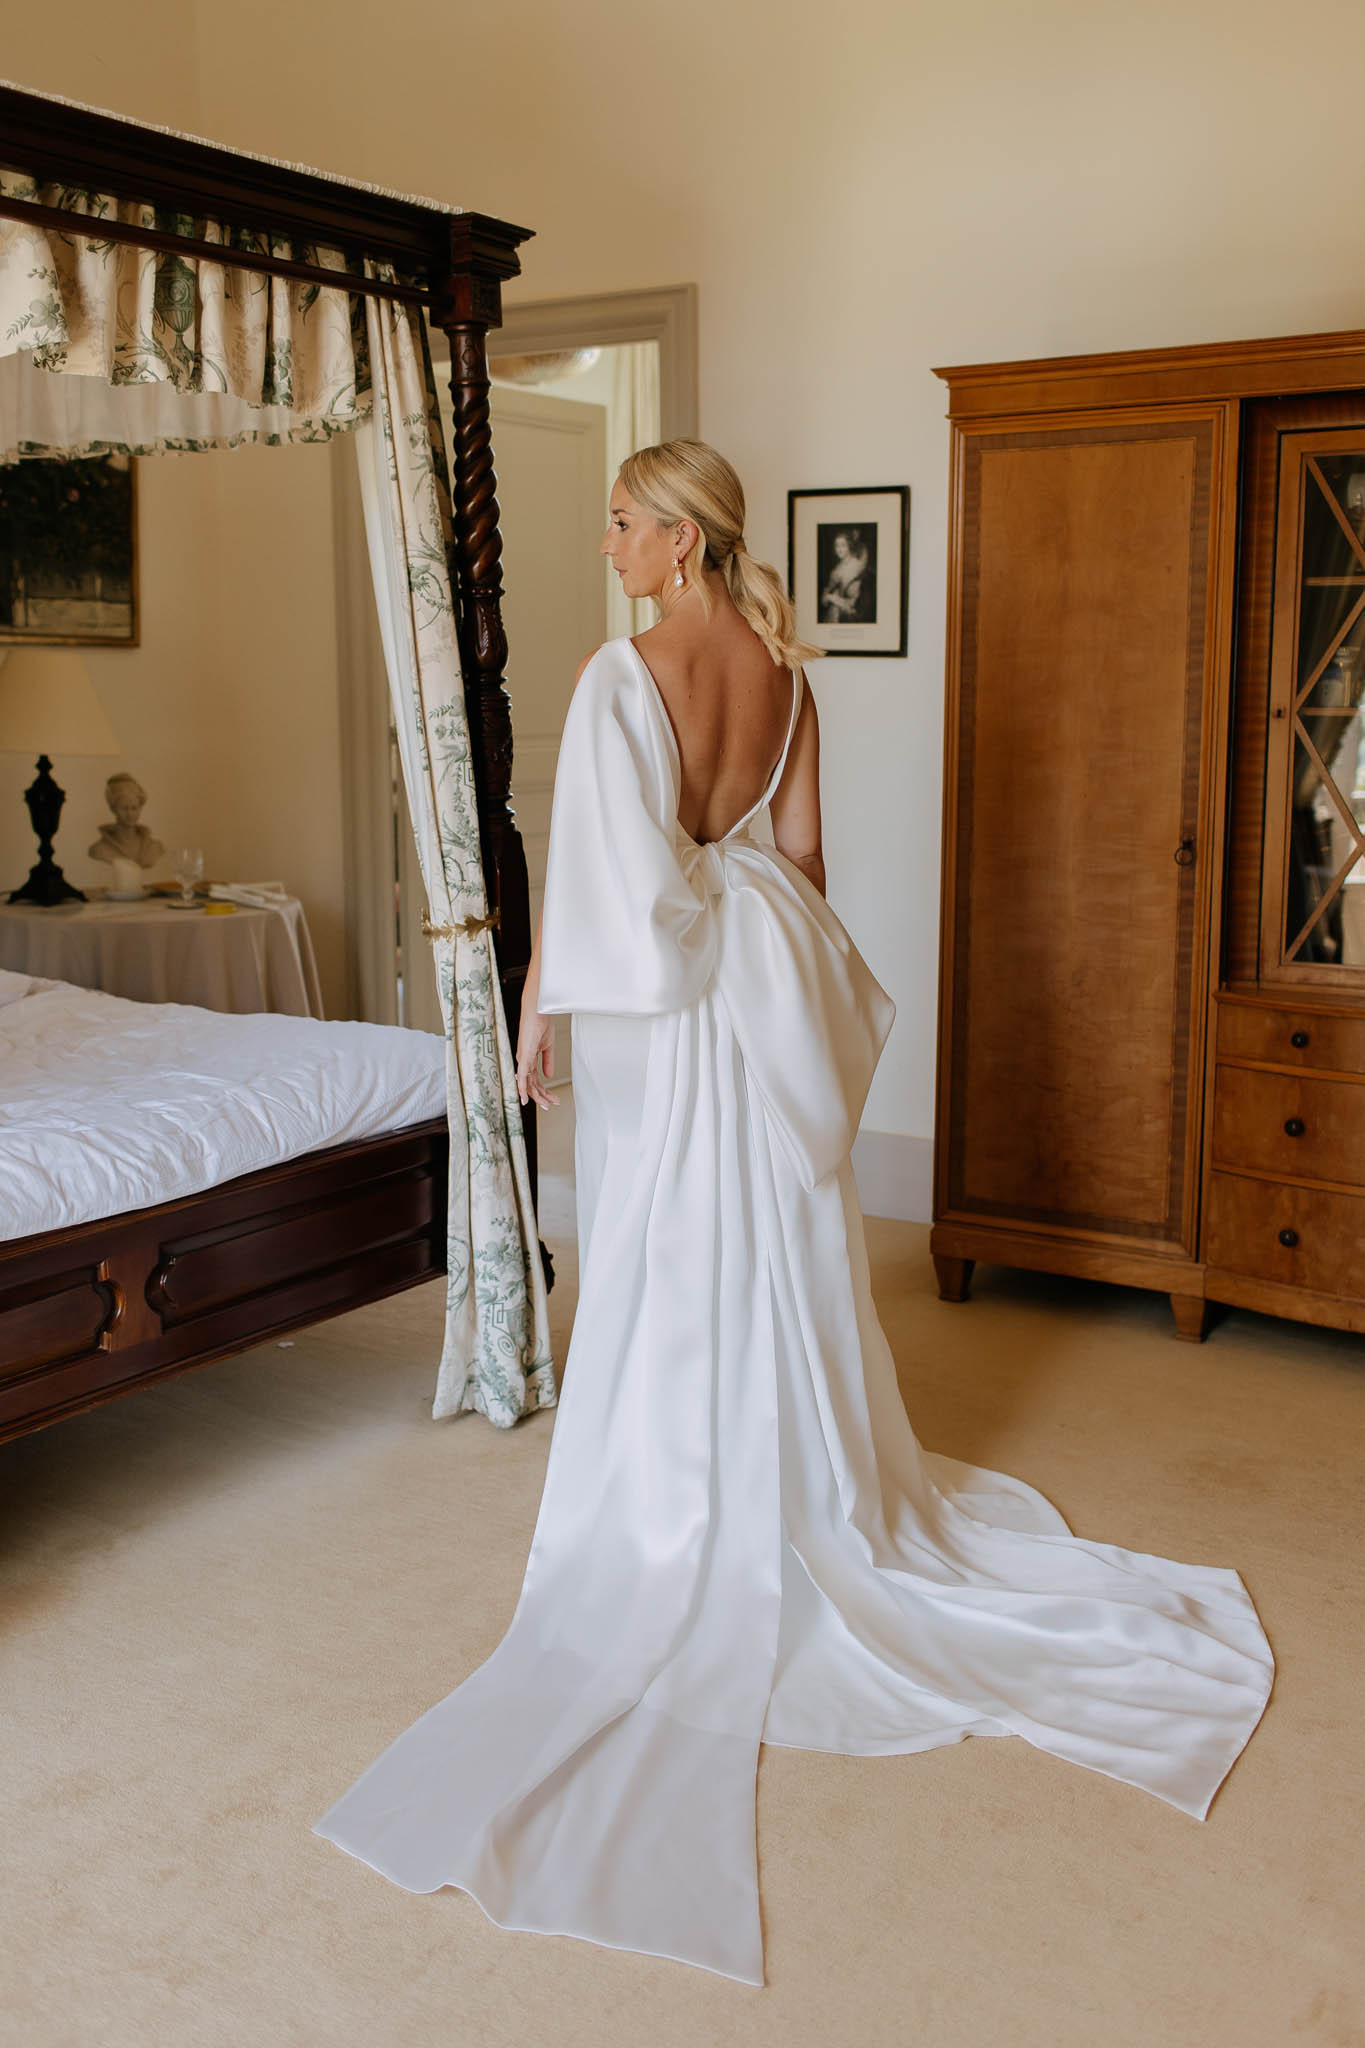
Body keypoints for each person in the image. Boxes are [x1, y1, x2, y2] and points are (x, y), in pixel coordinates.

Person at [314, 439, 1273, 1987]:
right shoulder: (792, 678)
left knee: (667, 1256)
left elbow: (602, 873)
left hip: (675, 1003)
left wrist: (544, 1010)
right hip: (754, 986)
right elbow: (805, 863)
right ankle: (796, 1490)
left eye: (625, 523)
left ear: (683, 541)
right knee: (783, 1245)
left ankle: (676, 1510)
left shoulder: (625, 674)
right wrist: (775, 974)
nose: (611, 544)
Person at [87, 772, 164, 868]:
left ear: (140, 808)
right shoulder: (99, 850)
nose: (130, 814)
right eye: (124, 808)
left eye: (134, 808)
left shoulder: (155, 847)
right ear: (113, 809)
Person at [820, 526, 870, 622]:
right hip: (834, 615)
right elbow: (824, 600)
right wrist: (827, 597)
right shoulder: (835, 571)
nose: (839, 549)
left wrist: (832, 598)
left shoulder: (857, 566)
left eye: (843, 545)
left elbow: (854, 605)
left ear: (849, 546)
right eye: (837, 545)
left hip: (850, 617)